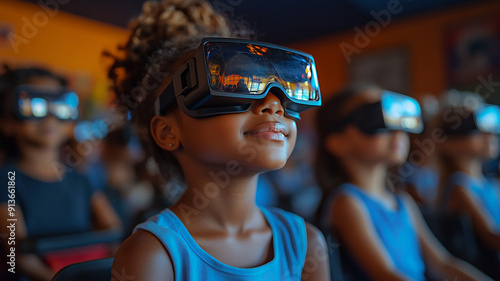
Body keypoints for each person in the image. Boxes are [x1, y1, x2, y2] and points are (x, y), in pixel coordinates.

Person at [108, 0, 330, 280]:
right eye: (237, 86)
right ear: (168, 133)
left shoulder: (305, 243)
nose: (274, 105)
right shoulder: (154, 255)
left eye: (282, 91)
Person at [316, 84, 492, 281]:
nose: (396, 129)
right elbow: (386, 274)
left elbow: (442, 263)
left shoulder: (403, 201)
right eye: (375, 117)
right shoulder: (347, 202)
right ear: (336, 142)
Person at [0, 65, 121, 281]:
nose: (49, 117)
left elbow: (113, 230)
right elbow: (16, 254)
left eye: (60, 105)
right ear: (7, 122)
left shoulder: (79, 179)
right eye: (33, 105)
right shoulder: (6, 179)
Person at [436, 91, 500, 279]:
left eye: (492, 129)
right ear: (449, 142)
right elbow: (491, 236)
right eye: (476, 129)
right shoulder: (459, 187)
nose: (489, 135)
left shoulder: (490, 184)